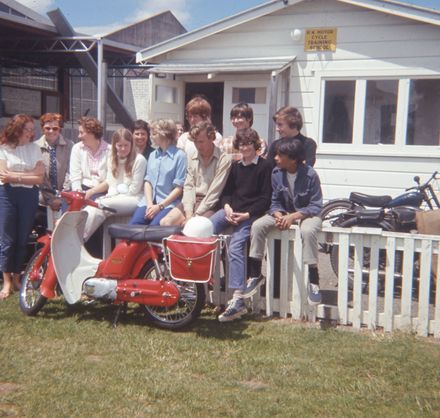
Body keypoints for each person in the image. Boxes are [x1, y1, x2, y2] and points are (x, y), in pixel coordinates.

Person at [244, 138, 323, 305]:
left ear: (293, 159)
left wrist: (293, 217)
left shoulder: (310, 175)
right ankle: (255, 274)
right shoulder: (276, 173)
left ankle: (314, 281)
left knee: (308, 231)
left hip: (307, 214)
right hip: (284, 213)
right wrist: (278, 214)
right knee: (258, 226)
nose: (275, 158)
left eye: (280, 156)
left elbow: (316, 205)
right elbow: (275, 201)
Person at [210, 127, 272, 322]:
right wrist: (227, 207)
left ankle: (238, 300)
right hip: (231, 211)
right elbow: (226, 192)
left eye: (249, 144)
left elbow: (265, 199)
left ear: (256, 146)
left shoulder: (265, 166)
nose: (245, 147)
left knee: (235, 246)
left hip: (250, 215)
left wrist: (245, 215)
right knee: (204, 230)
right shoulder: (236, 166)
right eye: (242, 144)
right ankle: (194, 285)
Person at [0, 114, 44, 299]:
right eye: (28, 129)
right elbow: (3, 175)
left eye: (32, 129)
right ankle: (7, 281)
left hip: (29, 195)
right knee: (7, 239)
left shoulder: (35, 149)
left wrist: (15, 176)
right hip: (7, 195)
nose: (31, 133)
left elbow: (39, 177)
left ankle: (18, 277)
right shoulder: (4, 149)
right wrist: (28, 173)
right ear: (17, 130)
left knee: (22, 238)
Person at [161, 120, 232, 226]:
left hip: (210, 204)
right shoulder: (192, 155)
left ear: (211, 138)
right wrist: (189, 213)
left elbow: (215, 192)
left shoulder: (224, 159)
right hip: (191, 199)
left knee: (194, 227)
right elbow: (189, 185)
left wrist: (196, 215)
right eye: (195, 142)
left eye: (201, 141)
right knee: (165, 223)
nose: (198, 146)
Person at [82, 128, 147, 241]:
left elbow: (134, 190)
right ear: (114, 145)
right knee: (95, 205)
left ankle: (81, 237)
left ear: (131, 144)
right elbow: (110, 182)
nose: (123, 149)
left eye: (126, 145)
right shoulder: (112, 158)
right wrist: (92, 191)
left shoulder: (139, 160)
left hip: (134, 198)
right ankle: (76, 232)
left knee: (100, 205)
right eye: (119, 145)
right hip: (116, 197)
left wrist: (111, 196)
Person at [129, 119, 187, 226]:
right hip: (149, 202)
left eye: (154, 134)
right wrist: (150, 204)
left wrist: (160, 206)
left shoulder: (180, 156)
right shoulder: (152, 155)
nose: (151, 136)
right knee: (134, 225)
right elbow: (148, 182)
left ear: (164, 135)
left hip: (168, 204)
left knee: (154, 229)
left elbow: (179, 188)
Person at [35, 113, 73, 212]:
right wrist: (50, 199)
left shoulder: (69, 146)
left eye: (55, 128)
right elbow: (39, 177)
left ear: (59, 129)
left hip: (65, 198)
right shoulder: (35, 147)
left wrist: (62, 197)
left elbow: (70, 173)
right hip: (42, 198)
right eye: (47, 128)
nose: (51, 131)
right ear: (42, 129)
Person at [69, 117, 109, 200]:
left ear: (91, 133)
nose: (79, 136)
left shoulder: (110, 151)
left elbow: (110, 180)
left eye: (81, 133)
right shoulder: (77, 148)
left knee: (92, 210)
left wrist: (91, 192)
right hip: (81, 189)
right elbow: (75, 176)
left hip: (102, 191)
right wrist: (78, 194)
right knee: (68, 206)